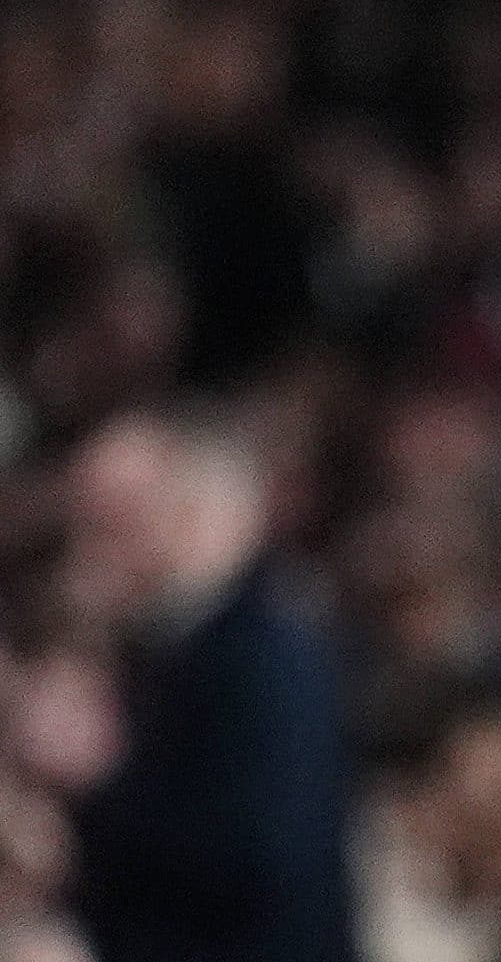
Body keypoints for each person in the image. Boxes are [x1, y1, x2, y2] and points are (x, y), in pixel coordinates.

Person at [61, 409, 359, 962]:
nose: (92, 558)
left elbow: (256, 854)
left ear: (190, 516)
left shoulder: (266, 654)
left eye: (115, 526)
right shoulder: (180, 644)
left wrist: (95, 787)